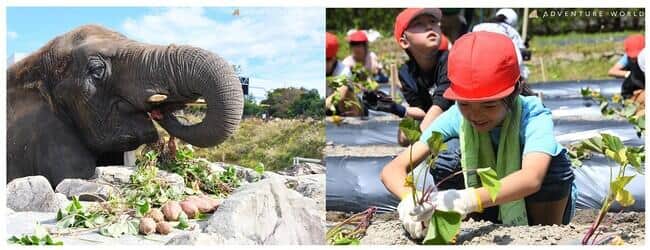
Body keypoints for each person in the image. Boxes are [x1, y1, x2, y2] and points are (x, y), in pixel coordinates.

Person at [380, 32, 575, 239]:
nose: (475, 114)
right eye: (464, 104)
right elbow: (392, 169)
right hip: (484, 203)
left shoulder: (533, 115)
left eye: (489, 104)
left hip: (534, 203)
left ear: (516, 91)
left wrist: (467, 199)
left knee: (555, 164)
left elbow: (531, 178)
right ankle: (473, 225)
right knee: (448, 155)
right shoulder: (456, 116)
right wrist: (409, 198)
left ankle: (543, 235)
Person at [364, 8, 454, 146]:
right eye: (419, 24)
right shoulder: (406, 73)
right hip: (435, 119)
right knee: (403, 136)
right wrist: (394, 107)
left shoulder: (450, 60)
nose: (429, 26)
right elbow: (421, 110)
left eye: (433, 21)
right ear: (404, 42)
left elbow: (442, 104)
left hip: (458, 120)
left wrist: (418, 146)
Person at [472, 8, 532, 86]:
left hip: (476, 69)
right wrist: (523, 78)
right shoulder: (510, 30)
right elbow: (519, 56)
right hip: (498, 72)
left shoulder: (477, 27)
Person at [325, 32, 363, 116]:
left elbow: (340, 94)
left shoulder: (343, 70)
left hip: (345, 109)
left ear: (334, 57)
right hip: (327, 106)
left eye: (327, 60)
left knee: (348, 95)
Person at [608, 34, 645, 101]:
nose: (634, 59)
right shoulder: (627, 58)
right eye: (632, 57)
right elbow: (611, 71)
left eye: (636, 57)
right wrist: (630, 74)